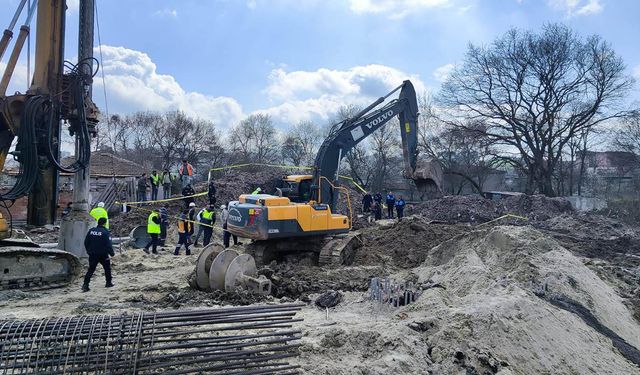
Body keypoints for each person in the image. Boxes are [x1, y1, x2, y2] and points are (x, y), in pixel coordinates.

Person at [81, 217, 114, 292]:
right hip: (103, 254)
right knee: (107, 269)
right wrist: (112, 254)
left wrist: (88, 251)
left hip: (92, 254)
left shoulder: (91, 231)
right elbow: (108, 245)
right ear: (105, 223)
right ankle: (108, 283)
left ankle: (85, 284)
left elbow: (86, 242)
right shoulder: (105, 232)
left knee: (91, 269)